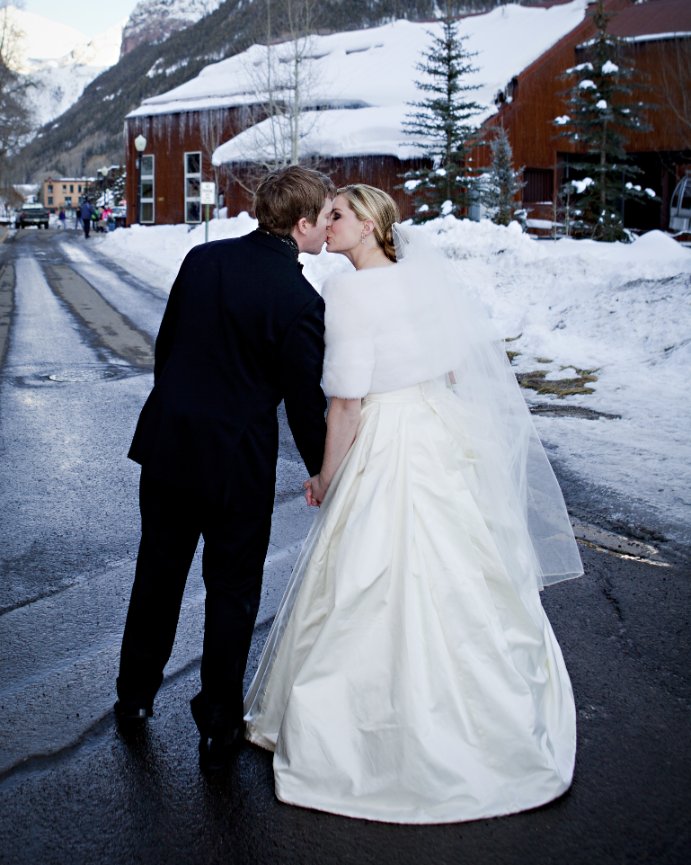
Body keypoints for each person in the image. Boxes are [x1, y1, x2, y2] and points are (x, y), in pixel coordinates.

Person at [244, 184, 584, 824]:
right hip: (435, 429)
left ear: (370, 225)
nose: (327, 223)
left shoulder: (349, 291)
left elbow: (346, 402)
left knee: (368, 579)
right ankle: (487, 720)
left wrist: (328, 477)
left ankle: (377, 742)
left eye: (339, 214)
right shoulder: (420, 280)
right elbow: (453, 370)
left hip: (388, 437)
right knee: (459, 571)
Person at [115, 166, 335, 771]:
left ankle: (133, 697)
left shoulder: (202, 260)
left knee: (157, 575)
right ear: (301, 224)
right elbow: (304, 406)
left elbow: (167, 348)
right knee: (232, 590)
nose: (327, 227)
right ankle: (218, 723)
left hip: (169, 444)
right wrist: (323, 469)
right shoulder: (301, 301)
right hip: (237, 463)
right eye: (324, 217)